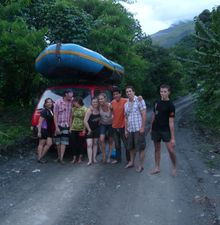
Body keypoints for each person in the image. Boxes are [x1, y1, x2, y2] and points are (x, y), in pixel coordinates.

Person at [150, 84, 177, 176]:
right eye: (161, 91)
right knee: (157, 149)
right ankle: (157, 167)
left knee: (170, 150)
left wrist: (173, 138)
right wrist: (151, 127)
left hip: (165, 130)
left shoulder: (171, 105)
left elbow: (171, 122)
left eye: (165, 92)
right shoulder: (156, 102)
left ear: (169, 92)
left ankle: (174, 166)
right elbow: (154, 114)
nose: (163, 93)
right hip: (156, 129)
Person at [124, 86, 147, 172]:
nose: (128, 93)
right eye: (127, 92)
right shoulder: (126, 104)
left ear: (134, 92)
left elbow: (144, 114)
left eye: (130, 91)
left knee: (141, 148)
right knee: (131, 147)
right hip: (130, 129)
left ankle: (141, 165)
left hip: (138, 128)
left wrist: (142, 127)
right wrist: (126, 130)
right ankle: (131, 162)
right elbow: (126, 117)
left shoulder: (139, 100)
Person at [111, 87, 130, 164]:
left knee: (126, 145)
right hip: (115, 127)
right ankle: (118, 159)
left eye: (117, 94)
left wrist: (139, 98)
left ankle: (129, 160)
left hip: (123, 127)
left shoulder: (126, 101)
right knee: (117, 145)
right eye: (114, 94)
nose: (115, 95)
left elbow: (133, 100)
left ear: (120, 94)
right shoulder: (112, 103)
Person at [54, 89, 73, 164]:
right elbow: (55, 115)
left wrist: (70, 127)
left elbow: (71, 115)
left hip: (66, 125)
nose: (72, 96)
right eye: (70, 94)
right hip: (58, 124)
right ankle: (59, 157)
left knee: (64, 142)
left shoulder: (71, 102)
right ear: (66, 94)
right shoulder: (57, 102)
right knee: (58, 142)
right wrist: (56, 127)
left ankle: (61, 158)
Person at [69, 97, 87, 164]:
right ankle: (74, 158)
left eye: (74, 102)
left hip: (81, 129)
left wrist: (84, 129)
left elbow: (85, 120)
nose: (73, 103)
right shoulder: (73, 109)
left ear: (78, 102)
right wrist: (70, 127)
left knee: (81, 144)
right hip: (74, 128)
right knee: (73, 143)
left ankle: (80, 158)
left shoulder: (85, 109)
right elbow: (71, 118)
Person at [84, 97, 101, 166]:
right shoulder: (89, 110)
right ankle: (90, 160)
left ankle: (94, 158)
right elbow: (85, 121)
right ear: (91, 103)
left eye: (96, 102)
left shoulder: (99, 109)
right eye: (93, 102)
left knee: (95, 143)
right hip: (89, 129)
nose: (95, 103)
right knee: (89, 144)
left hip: (96, 129)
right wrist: (89, 129)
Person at [37, 98, 54, 163]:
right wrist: (39, 132)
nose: (50, 103)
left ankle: (40, 157)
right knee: (41, 144)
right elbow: (40, 122)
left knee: (49, 144)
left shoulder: (51, 110)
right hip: (43, 129)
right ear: (45, 104)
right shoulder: (44, 111)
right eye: (48, 102)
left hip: (48, 130)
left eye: (51, 102)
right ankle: (39, 158)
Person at [98, 92, 114, 163]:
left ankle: (109, 156)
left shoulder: (110, 105)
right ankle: (104, 155)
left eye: (102, 99)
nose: (100, 100)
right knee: (101, 139)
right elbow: (92, 108)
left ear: (105, 99)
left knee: (110, 141)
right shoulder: (98, 106)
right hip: (103, 124)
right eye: (99, 99)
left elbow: (115, 113)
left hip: (111, 124)